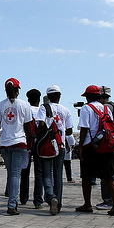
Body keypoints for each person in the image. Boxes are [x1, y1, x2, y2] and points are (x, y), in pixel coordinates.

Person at [75, 85, 114, 216]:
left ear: (88, 97)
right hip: (105, 146)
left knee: (86, 176)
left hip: (90, 146)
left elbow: (84, 128)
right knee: (109, 176)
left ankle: (87, 204)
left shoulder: (86, 108)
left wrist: (80, 148)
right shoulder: (107, 108)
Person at [0, 78, 32, 215]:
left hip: (5, 145)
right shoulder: (24, 105)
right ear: (17, 90)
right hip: (20, 143)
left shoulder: (0, 105)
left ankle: (12, 201)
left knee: (11, 173)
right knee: (15, 174)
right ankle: (12, 205)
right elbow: (28, 128)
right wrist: (30, 145)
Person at [35, 85, 73, 215]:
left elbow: (40, 124)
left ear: (48, 97)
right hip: (60, 145)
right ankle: (58, 205)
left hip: (47, 146)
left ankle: (51, 197)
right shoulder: (66, 110)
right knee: (58, 175)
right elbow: (69, 130)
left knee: (46, 174)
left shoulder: (43, 108)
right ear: (59, 96)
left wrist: (37, 138)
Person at [17, 88, 43, 208]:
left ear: (28, 99)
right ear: (39, 99)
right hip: (40, 144)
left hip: (27, 143)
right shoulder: (42, 111)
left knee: (24, 171)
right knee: (39, 172)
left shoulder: (25, 110)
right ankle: (38, 200)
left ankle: (23, 197)